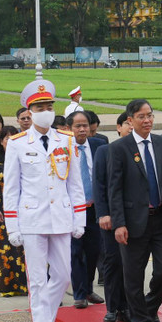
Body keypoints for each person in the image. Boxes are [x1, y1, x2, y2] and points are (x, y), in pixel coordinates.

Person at [4, 79, 85, 322]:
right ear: (29, 110)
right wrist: (12, 225)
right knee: (37, 280)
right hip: (32, 219)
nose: (46, 111)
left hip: (61, 216)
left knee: (63, 275)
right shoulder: (16, 144)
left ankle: (41, 320)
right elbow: (11, 188)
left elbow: (75, 184)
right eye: (40, 107)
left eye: (49, 106)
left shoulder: (67, 140)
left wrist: (80, 218)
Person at [107, 99, 162, 322]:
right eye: (141, 116)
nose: (147, 120)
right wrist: (119, 223)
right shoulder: (119, 148)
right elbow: (114, 189)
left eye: (150, 115)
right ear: (130, 120)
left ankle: (148, 309)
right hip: (133, 222)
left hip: (161, 219)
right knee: (133, 276)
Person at [94, 113, 132, 322]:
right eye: (126, 123)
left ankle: (127, 306)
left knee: (131, 264)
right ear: (118, 127)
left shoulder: (141, 150)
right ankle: (112, 307)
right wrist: (103, 213)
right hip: (111, 217)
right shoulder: (104, 151)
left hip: (135, 216)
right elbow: (99, 184)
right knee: (113, 261)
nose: (130, 126)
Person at [0, 126, 27, 297]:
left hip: (24, 210)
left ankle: (26, 285)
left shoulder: (25, 160)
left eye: (14, 137)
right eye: (7, 138)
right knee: (6, 250)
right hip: (2, 212)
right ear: (1, 142)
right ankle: (8, 286)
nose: (11, 141)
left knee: (26, 249)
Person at [67, 110, 105, 309]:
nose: (82, 129)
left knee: (93, 251)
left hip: (94, 208)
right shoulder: (63, 149)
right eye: (78, 126)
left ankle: (88, 288)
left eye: (85, 125)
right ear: (69, 128)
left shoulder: (99, 146)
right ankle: (79, 293)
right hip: (73, 210)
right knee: (75, 252)